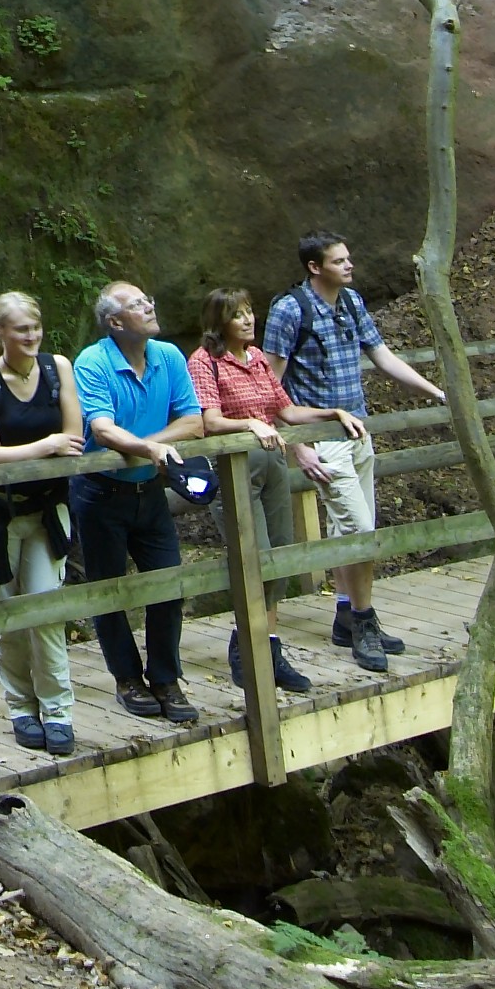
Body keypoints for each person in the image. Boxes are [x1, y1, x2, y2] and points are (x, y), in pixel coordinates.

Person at [263, 233, 448, 674]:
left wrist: (440, 392)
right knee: (361, 531)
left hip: (357, 431)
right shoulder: (289, 310)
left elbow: (382, 357)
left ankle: (347, 615)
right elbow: (270, 387)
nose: (349, 266)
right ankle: (364, 622)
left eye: (349, 258)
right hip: (322, 437)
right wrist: (298, 447)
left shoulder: (351, 302)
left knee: (350, 529)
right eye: (339, 261)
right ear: (314, 267)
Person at [69, 281, 206, 725]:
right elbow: (102, 429)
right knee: (109, 589)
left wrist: (150, 446)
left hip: (149, 490)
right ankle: (126, 678)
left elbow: (193, 421)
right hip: (100, 491)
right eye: (137, 304)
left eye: (149, 299)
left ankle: (166, 677)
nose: (149, 306)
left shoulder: (166, 356)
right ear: (114, 322)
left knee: (167, 583)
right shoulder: (93, 361)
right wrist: (150, 449)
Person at [191, 286, 335, 695]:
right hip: (235, 469)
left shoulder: (257, 360)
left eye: (250, 312)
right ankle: (249, 647)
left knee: (281, 557)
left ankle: (268, 646)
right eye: (238, 315)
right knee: (255, 557)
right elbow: (210, 421)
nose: (249, 320)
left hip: (272, 463)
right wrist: (250, 424)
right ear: (220, 322)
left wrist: (332, 412)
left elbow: (285, 410)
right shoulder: (205, 362)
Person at [0, 291, 83, 756]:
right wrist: (47, 444)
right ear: (1, 333)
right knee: (4, 612)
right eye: (20, 330)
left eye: (35, 327)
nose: (31, 337)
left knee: (47, 610)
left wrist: (43, 445)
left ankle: (58, 711)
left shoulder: (58, 369)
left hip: (47, 509)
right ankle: (20, 708)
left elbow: (75, 436)